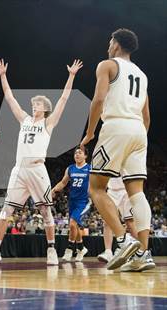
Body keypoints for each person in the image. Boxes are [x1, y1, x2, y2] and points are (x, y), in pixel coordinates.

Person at [0, 58, 83, 266]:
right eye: (33, 103)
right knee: (6, 211)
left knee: (46, 211)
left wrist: (71, 76)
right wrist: (3, 76)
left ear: (44, 108)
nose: (33, 105)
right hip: (19, 169)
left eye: (37, 103)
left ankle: (52, 249)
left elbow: (63, 99)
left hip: (37, 169)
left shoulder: (49, 122)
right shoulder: (25, 119)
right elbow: (9, 98)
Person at [81, 28, 152, 270]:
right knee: (137, 193)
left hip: (116, 127)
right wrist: (138, 138)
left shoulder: (107, 65)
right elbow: (147, 116)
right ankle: (143, 253)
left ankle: (123, 241)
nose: (108, 44)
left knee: (96, 187)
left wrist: (90, 133)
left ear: (117, 44)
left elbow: (98, 100)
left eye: (110, 40)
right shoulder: (142, 75)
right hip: (139, 131)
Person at [52, 147, 91, 262]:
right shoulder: (70, 168)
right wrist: (54, 190)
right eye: (75, 153)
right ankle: (81, 248)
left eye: (80, 153)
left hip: (84, 201)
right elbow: (63, 182)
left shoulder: (90, 169)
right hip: (72, 200)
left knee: (73, 224)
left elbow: (94, 184)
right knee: (76, 226)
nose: (77, 154)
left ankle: (69, 249)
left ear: (85, 156)